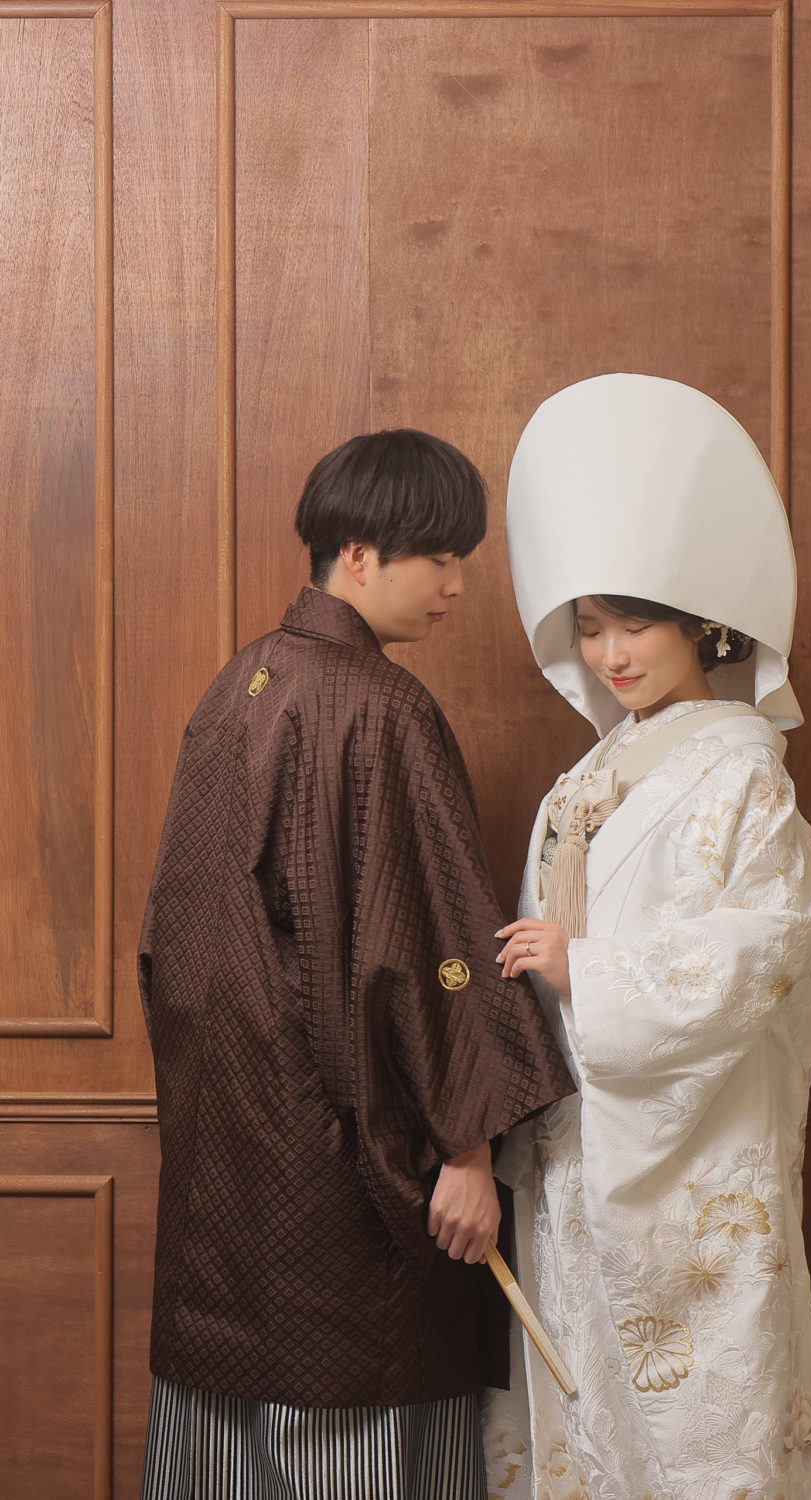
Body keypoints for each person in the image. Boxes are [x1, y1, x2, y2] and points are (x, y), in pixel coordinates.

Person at [137, 428, 574, 1500]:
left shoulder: (237, 684)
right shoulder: (382, 707)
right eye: (441, 559)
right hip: (337, 1155)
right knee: (357, 1410)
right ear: (360, 553)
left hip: (230, 1150)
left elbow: (172, 942)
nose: (457, 585)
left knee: (229, 1436)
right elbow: (420, 948)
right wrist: (465, 1146)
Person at [482, 376, 811, 1499]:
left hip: (687, 1165)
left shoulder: (740, 773)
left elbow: (774, 940)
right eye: (590, 627)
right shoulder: (587, 776)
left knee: (701, 1436)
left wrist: (588, 972)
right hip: (577, 1146)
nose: (611, 653)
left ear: (701, 621)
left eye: (635, 624)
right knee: (583, 1416)